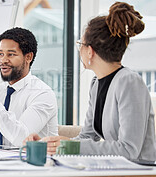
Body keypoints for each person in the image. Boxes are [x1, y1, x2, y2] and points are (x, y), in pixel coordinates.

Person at [25, 2, 156, 164]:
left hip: (139, 170)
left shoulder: (129, 82)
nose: (79, 49)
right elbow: (87, 136)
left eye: (80, 44)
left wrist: (71, 146)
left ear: (90, 51)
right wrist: (50, 144)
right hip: (114, 167)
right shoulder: (96, 83)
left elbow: (129, 150)